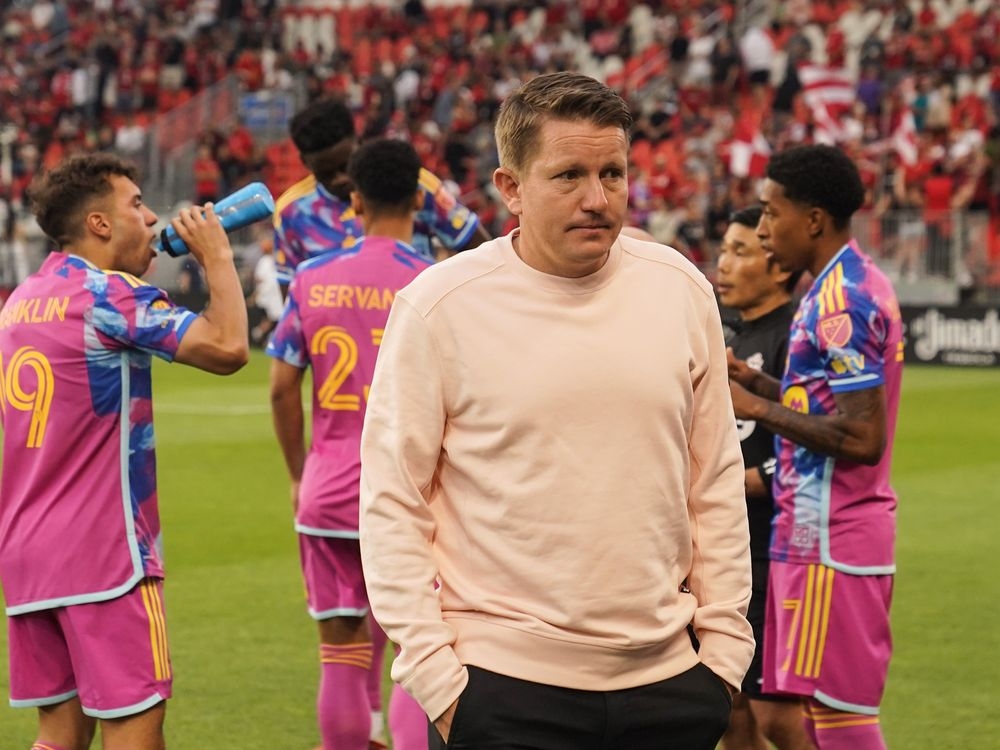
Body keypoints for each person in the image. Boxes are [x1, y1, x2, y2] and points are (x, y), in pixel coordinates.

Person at [359, 71, 754, 750]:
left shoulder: (681, 289)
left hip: (670, 686)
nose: (597, 199)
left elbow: (713, 479)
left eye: (613, 173)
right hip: (500, 689)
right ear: (510, 188)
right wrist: (437, 678)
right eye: (568, 175)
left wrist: (722, 655)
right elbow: (394, 500)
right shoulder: (441, 307)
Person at [0, 152, 248, 750]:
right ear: (100, 225)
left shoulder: (20, 302)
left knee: (58, 732)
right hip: (105, 555)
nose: (153, 215)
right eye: (137, 204)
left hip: (26, 553)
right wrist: (215, 253)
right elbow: (229, 347)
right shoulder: (108, 295)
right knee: (135, 724)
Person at [728, 144, 903, 750]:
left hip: (833, 538)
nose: (764, 225)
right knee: (807, 720)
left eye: (772, 213)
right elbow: (825, 407)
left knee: (840, 722)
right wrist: (762, 385)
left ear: (814, 220)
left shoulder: (840, 304)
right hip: (815, 537)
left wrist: (755, 409)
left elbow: (861, 436)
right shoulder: (843, 285)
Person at [267, 138, 434, 750]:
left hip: (329, 490)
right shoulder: (435, 283)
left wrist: (297, 473)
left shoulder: (312, 279)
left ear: (354, 200)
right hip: (410, 495)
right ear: (419, 197)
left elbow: (282, 388)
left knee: (339, 648)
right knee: (419, 649)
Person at [716, 207, 814, 750]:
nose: (723, 264)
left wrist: (739, 482)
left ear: (777, 267)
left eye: (740, 251)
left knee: (778, 715)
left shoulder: (793, 337)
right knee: (726, 705)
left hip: (776, 552)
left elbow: (821, 441)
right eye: (724, 249)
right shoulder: (727, 334)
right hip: (726, 545)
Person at [272, 97, 490, 284]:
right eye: (325, 173)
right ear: (305, 163)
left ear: (357, 141)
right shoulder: (291, 213)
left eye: (345, 165)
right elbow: (291, 297)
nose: (340, 179)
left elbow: (479, 248)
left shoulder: (408, 178)